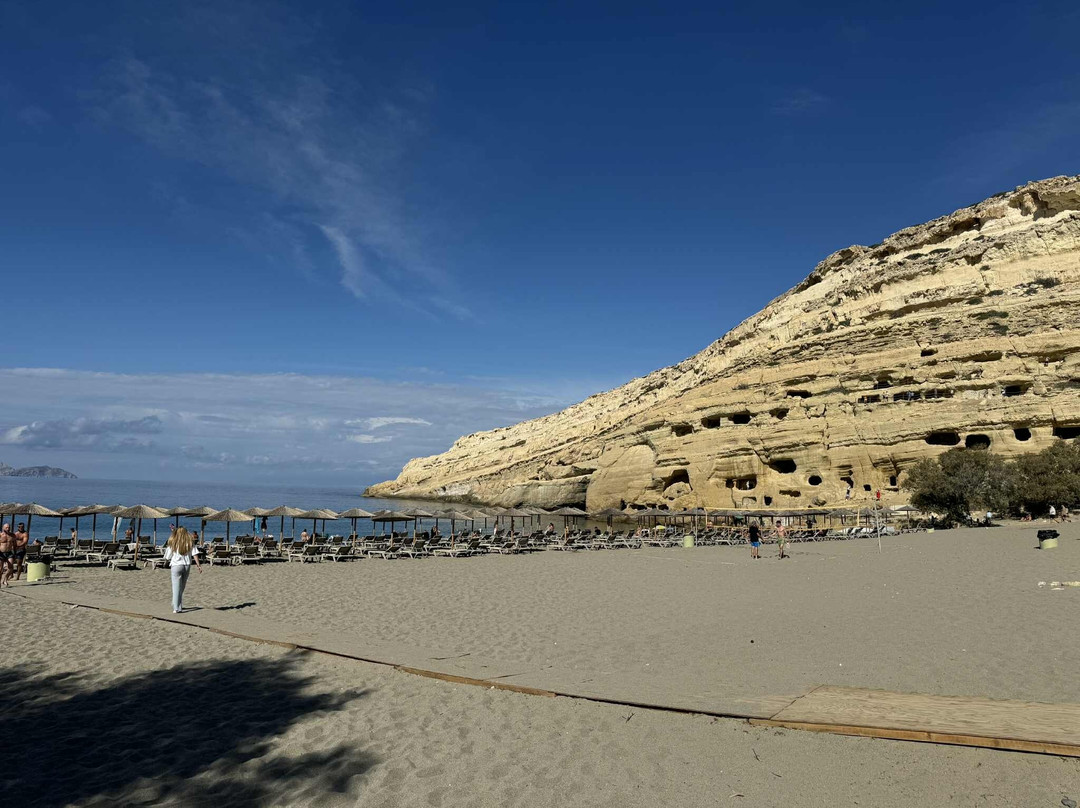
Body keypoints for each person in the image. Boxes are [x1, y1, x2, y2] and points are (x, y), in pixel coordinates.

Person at [163, 527, 202, 614]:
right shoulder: (190, 541)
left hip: (176, 565)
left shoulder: (173, 542)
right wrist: (198, 565)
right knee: (181, 587)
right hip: (186, 565)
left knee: (176, 587)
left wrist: (165, 562)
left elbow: (167, 556)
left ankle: (176, 607)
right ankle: (178, 605)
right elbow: (195, 554)